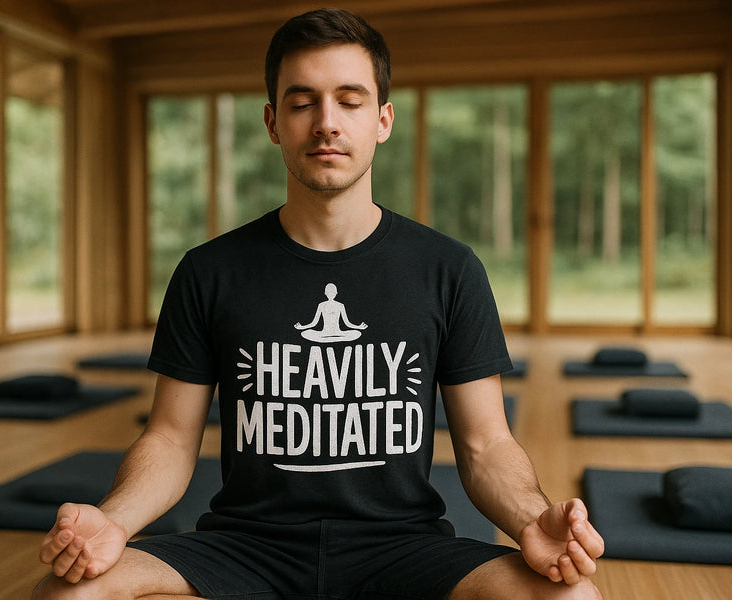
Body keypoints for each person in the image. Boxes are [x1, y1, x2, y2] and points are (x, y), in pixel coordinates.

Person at [32, 8, 604, 600]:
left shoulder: (449, 270)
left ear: (383, 119)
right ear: (274, 122)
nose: (326, 123)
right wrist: (116, 520)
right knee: (68, 593)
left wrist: (530, 520)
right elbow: (171, 441)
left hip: (403, 548)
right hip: (245, 548)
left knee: (570, 596)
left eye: (349, 101)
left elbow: (487, 445)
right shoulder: (209, 271)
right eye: (303, 102)